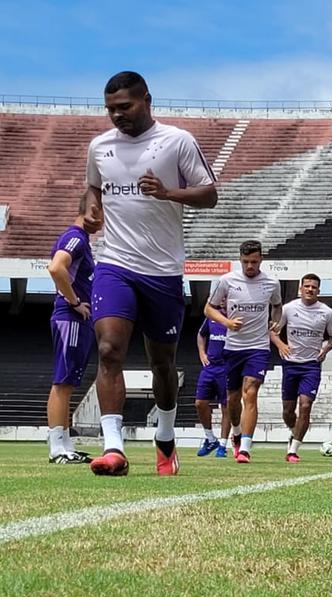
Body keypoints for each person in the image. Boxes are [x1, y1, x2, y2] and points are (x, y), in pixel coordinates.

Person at [86, 71, 218, 477]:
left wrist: (167, 193)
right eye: (110, 110)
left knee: (162, 363)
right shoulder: (99, 146)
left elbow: (209, 194)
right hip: (114, 263)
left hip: (161, 271)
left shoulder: (176, 141)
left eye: (124, 107)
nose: (117, 116)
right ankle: (114, 449)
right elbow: (92, 187)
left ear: (147, 100)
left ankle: (164, 436)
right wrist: (91, 209)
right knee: (109, 350)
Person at [205, 240, 282, 464]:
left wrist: (276, 321)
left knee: (251, 392)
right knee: (232, 399)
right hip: (233, 348)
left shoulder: (271, 283)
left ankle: (246, 447)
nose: (250, 266)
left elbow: (277, 306)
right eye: (246, 262)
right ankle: (237, 433)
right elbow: (208, 308)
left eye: (254, 262)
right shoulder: (227, 281)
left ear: (261, 260)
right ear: (240, 259)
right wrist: (227, 322)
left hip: (258, 347)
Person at [45, 196, 102, 464]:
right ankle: (57, 448)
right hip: (70, 317)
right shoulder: (76, 238)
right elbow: (56, 268)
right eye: (102, 215)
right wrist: (75, 302)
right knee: (63, 382)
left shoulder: (81, 240)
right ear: (92, 211)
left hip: (75, 319)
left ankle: (65, 445)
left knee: (68, 382)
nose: (103, 223)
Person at [272, 273, 332, 463]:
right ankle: (294, 433)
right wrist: (280, 345)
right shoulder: (288, 309)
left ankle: (293, 450)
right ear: (300, 288)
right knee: (287, 411)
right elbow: (273, 332)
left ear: (319, 290)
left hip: (311, 365)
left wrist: (326, 348)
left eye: (314, 287)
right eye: (307, 286)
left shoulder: (327, 313)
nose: (310, 290)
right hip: (290, 364)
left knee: (305, 405)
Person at [195, 314, 230, 457]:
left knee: (226, 406)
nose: (222, 299)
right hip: (210, 368)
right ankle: (210, 439)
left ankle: (223, 445)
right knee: (200, 403)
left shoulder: (235, 317)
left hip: (227, 367)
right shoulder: (211, 317)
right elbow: (201, 334)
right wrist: (202, 353)